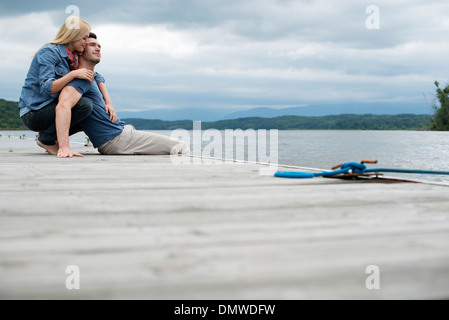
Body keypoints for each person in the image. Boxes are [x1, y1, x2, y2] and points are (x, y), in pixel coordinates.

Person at [55, 34, 189, 157]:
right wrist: (63, 146)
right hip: (117, 139)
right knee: (180, 146)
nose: (98, 48)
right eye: (92, 45)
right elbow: (63, 106)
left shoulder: (92, 77)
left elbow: (98, 77)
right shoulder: (81, 79)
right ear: (80, 50)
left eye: (99, 46)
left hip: (121, 134)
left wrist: (108, 101)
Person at [18, 17, 117, 158]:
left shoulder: (74, 56)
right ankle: (47, 140)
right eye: (83, 38)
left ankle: (49, 137)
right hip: (34, 111)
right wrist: (73, 74)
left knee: (90, 111)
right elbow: (48, 88)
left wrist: (108, 102)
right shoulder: (50, 52)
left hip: (50, 107)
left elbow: (96, 76)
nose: (85, 42)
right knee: (84, 105)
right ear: (73, 36)